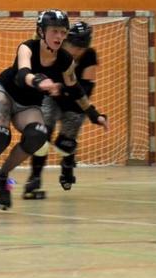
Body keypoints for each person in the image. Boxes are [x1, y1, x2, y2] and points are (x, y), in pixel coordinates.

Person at [0, 10, 108, 216]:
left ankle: (2, 177)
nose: (59, 36)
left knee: (37, 135)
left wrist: (93, 114)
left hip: (28, 105)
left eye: (63, 32)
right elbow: (22, 75)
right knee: (0, 136)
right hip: (5, 93)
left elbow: (76, 89)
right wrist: (39, 81)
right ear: (41, 31)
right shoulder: (27, 47)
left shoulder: (64, 60)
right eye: (54, 31)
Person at [23, 21, 99, 198]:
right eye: (73, 46)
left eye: (81, 49)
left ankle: (67, 164)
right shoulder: (53, 51)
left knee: (65, 143)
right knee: (42, 134)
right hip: (53, 98)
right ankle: (35, 178)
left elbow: (86, 88)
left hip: (76, 101)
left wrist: (64, 89)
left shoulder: (89, 56)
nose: (76, 52)